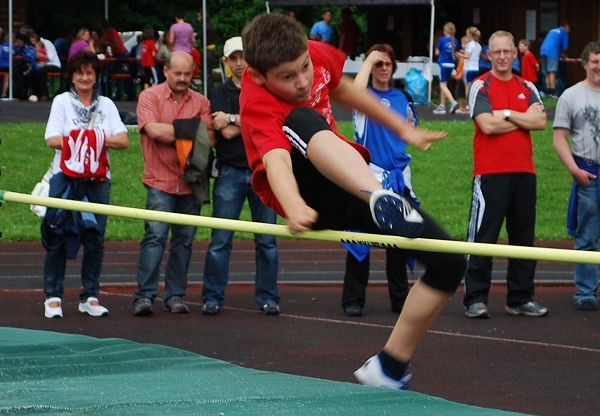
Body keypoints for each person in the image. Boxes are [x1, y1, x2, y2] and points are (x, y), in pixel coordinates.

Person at [240, 13, 466, 389]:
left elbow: (344, 90)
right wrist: (294, 205)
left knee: (448, 261)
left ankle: (389, 367)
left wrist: (402, 127)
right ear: (261, 75)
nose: (302, 81)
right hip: (307, 192)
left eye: (304, 68)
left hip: (346, 180)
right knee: (300, 118)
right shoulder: (256, 99)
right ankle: (378, 195)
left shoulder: (310, 52)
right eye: (287, 76)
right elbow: (275, 159)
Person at [463, 30, 548, 319]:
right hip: (490, 173)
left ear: (515, 53)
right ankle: (475, 298)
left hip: (524, 173)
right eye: (496, 52)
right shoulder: (480, 85)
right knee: (482, 238)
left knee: (523, 239)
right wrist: (520, 118)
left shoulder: (527, 85)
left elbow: (540, 121)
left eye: (506, 51)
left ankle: (520, 299)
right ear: (488, 54)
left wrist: (507, 114)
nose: (501, 57)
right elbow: (487, 125)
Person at [41, 50, 129, 319]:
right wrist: (89, 140)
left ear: (96, 76)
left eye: (89, 72)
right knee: (58, 233)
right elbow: (51, 139)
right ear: (72, 76)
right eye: (80, 72)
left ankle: (89, 295)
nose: (84, 77)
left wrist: (92, 137)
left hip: (98, 181)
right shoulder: (61, 102)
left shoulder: (107, 105)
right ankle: (53, 297)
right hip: (66, 179)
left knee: (95, 239)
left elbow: (123, 140)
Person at [201, 36, 280, 316]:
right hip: (229, 173)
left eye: (243, 57)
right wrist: (242, 122)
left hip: (263, 172)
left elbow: (264, 123)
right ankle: (212, 297)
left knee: (267, 241)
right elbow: (225, 132)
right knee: (220, 240)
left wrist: (233, 118)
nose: (238, 63)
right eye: (233, 58)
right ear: (225, 62)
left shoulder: (265, 90)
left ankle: (269, 296)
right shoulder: (219, 92)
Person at [133, 51, 215, 317]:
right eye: (177, 73)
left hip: (191, 182)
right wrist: (192, 131)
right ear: (165, 70)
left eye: (187, 74)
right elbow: (153, 131)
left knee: (184, 241)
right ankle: (144, 296)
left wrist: (175, 131)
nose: (182, 78)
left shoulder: (201, 101)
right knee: (154, 238)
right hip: (160, 179)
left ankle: (175, 295)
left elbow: (210, 139)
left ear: (194, 74)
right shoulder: (149, 97)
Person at [341, 44, 420, 317]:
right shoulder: (362, 98)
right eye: (378, 63)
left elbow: (409, 132)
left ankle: (400, 299)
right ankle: (353, 299)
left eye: (387, 63)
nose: (383, 68)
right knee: (359, 239)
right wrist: (369, 59)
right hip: (369, 176)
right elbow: (353, 90)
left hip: (398, 179)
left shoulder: (403, 97)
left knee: (398, 242)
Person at [552, 41, 600, 312]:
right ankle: (586, 291)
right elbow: (559, 137)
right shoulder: (571, 96)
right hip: (589, 172)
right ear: (584, 64)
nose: (598, 67)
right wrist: (574, 169)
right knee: (587, 236)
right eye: (594, 61)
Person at [433, 22, 461, 115]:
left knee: (442, 85)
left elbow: (437, 52)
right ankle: (442, 105)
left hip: (443, 64)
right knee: (445, 85)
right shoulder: (456, 41)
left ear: (445, 30)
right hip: (451, 64)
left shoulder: (442, 40)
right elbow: (456, 54)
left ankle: (453, 101)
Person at [540, 21, 570, 98]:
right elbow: (564, 47)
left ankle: (548, 92)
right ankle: (553, 92)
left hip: (543, 50)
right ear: (566, 27)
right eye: (569, 28)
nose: (569, 30)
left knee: (547, 72)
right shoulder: (564, 32)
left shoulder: (552, 30)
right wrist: (563, 55)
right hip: (552, 52)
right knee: (552, 71)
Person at [456, 26, 481, 105]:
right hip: (476, 67)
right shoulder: (478, 45)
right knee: (473, 87)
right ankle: (473, 103)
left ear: (470, 35)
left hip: (469, 67)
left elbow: (468, 56)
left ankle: (469, 105)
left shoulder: (470, 44)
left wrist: (459, 54)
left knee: (467, 87)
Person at [0, 30, 9, 98]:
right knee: (6, 78)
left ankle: (4, 93)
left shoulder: (3, 45)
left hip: (2, 65)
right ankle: (4, 93)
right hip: (6, 65)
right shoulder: (10, 46)